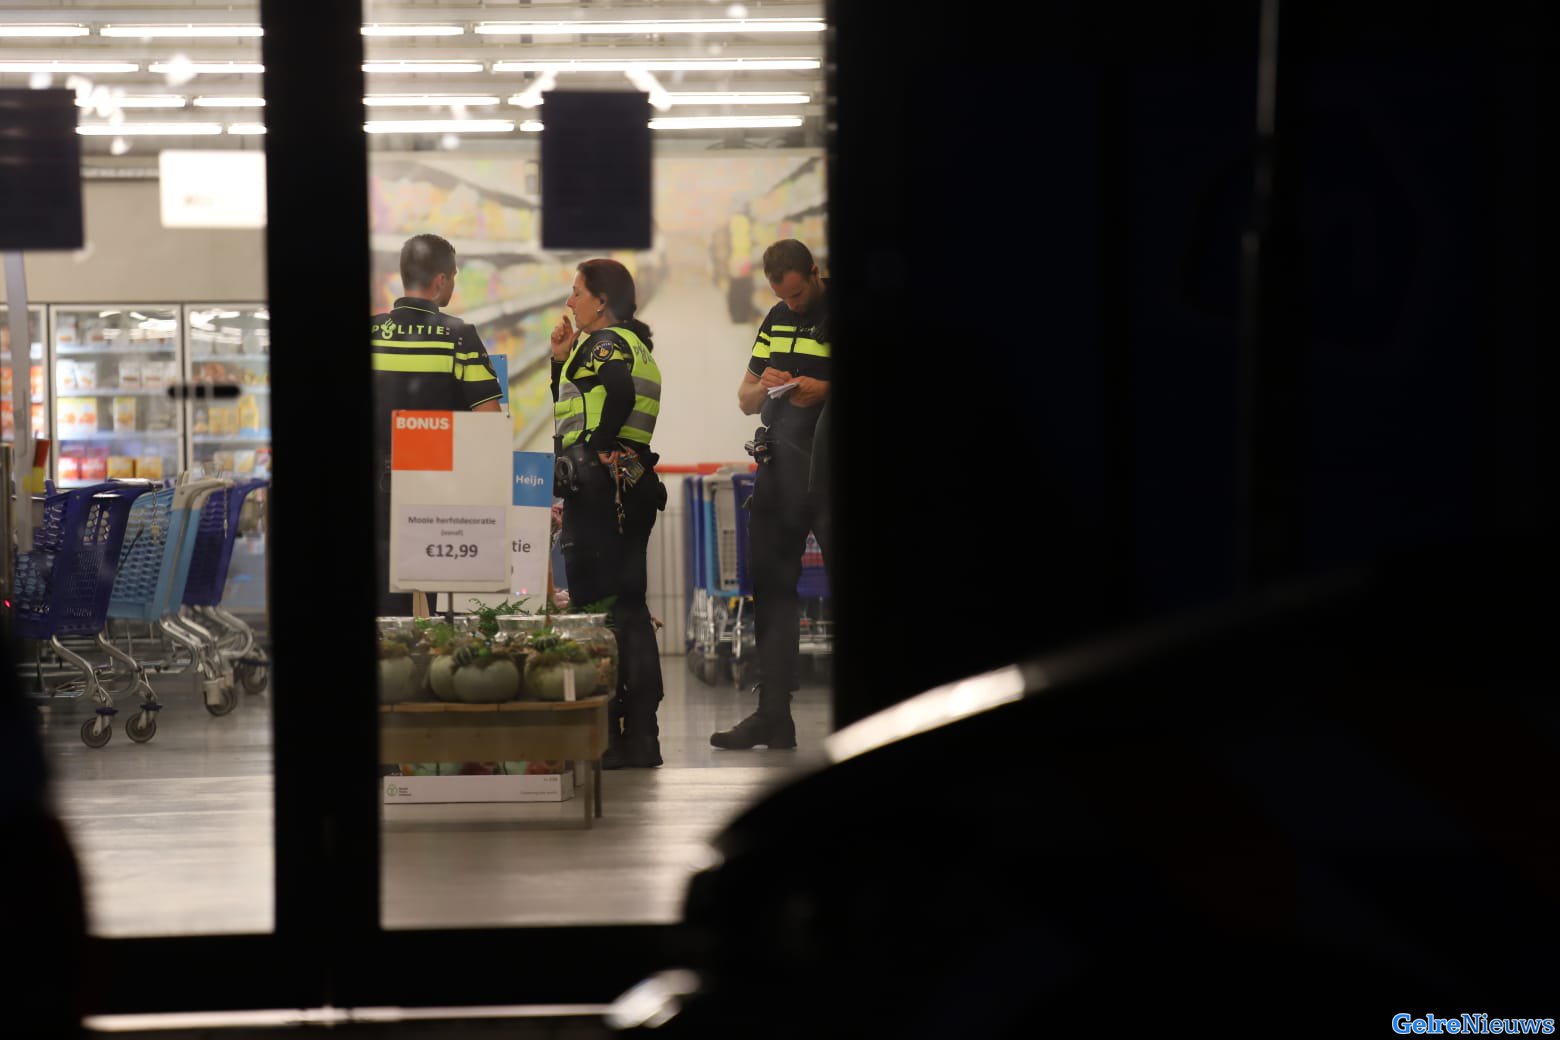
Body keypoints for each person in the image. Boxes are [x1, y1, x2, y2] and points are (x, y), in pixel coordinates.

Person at [711, 239, 830, 751]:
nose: (795, 305)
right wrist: (769, 387)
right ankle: (773, 715)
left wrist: (823, 387)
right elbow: (744, 398)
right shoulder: (776, 318)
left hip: (829, 470)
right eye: (785, 296)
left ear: (815, 273)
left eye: (800, 294)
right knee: (773, 593)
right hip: (779, 468)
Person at [549, 258, 668, 769]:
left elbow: (615, 393)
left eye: (577, 292)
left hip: (601, 490)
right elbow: (589, 401)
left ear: (601, 300)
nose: (571, 301)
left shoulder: (605, 344)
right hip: (628, 484)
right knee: (629, 609)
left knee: (603, 612)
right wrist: (559, 361)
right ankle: (641, 734)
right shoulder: (630, 343)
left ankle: (617, 735)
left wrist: (595, 449)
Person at [370, 234, 503, 617]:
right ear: (441, 281)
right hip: (436, 495)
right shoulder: (459, 337)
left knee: (386, 608)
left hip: (376, 493)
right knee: (439, 609)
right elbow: (489, 425)